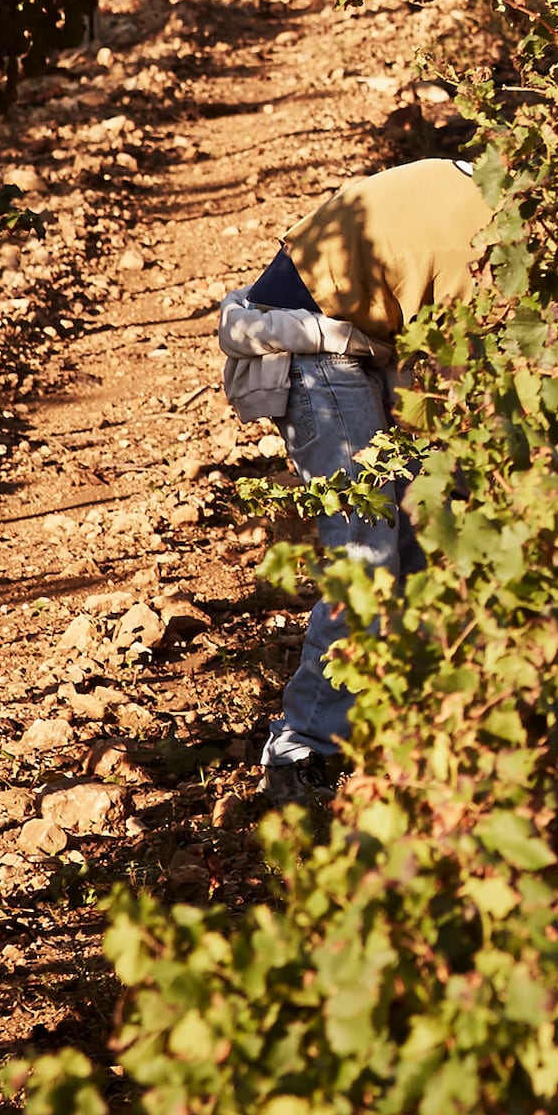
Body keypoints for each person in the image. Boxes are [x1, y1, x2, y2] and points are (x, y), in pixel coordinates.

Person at [217, 151, 495, 814]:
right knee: (366, 550)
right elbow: (460, 385)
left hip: (364, 330)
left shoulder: (502, 207)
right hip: (303, 341)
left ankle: (413, 716)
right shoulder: (502, 260)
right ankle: (303, 750)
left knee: (426, 530)